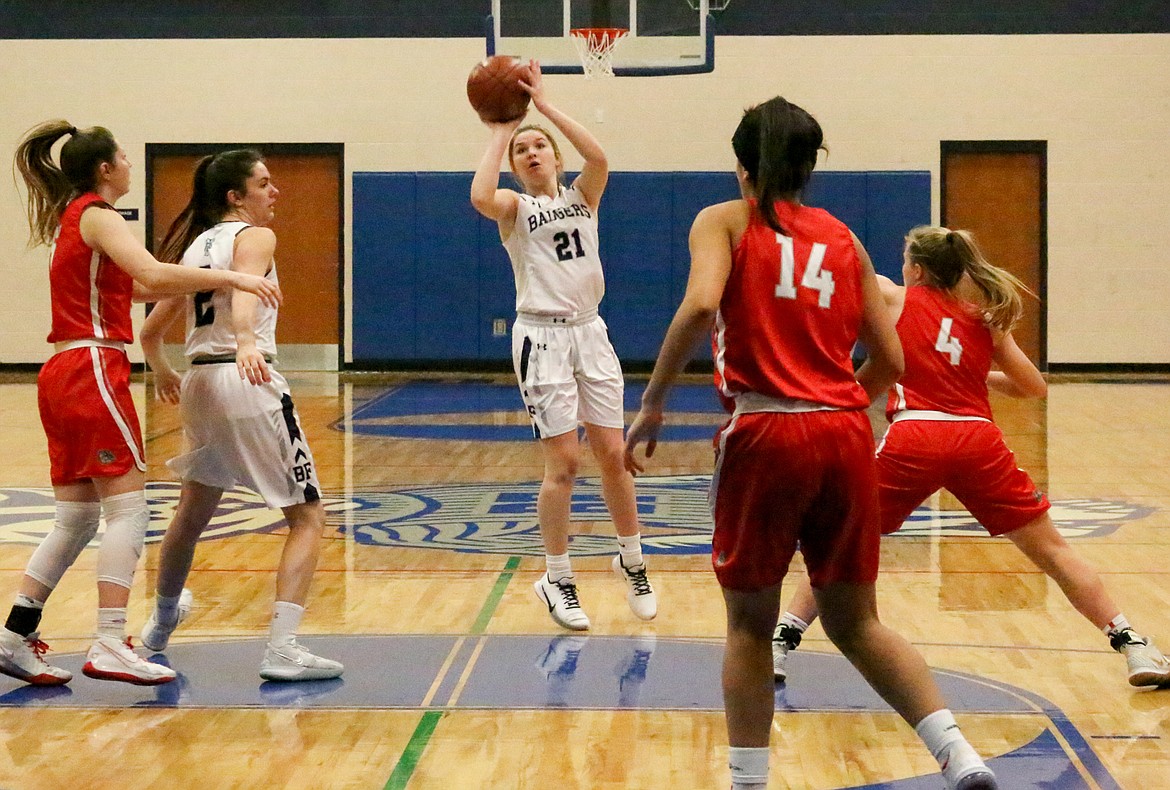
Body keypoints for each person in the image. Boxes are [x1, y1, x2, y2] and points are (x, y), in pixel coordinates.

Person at [624, 98, 997, 790]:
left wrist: (650, 402)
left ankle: (747, 780)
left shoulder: (724, 220)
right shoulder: (844, 237)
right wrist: (832, 394)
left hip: (767, 431)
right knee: (857, 620)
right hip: (846, 430)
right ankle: (961, 757)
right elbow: (890, 360)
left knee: (749, 626)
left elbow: (703, 303)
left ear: (742, 166)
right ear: (808, 168)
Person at [772, 226, 1170, 688]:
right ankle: (1133, 645)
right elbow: (1033, 387)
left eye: (906, 261)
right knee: (1054, 552)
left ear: (917, 269)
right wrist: (973, 377)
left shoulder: (894, 296)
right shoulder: (985, 318)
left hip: (916, 435)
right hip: (977, 439)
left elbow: (844, 269)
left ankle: (780, 641)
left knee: (841, 542)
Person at [0, 121, 282, 687]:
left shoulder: (76, 218)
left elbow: (142, 289)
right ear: (105, 169)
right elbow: (152, 272)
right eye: (124, 157)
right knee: (129, 510)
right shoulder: (99, 214)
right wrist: (235, 276)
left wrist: (207, 285)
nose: (129, 164)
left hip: (61, 370)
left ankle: (11, 635)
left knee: (76, 518)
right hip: (91, 368)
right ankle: (109, 640)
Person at [136, 149, 343, 682]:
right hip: (244, 377)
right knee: (308, 515)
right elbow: (248, 289)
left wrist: (161, 368)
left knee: (193, 510)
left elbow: (150, 330)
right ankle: (282, 647)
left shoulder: (196, 246)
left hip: (201, 381)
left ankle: (158, 629)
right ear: (236, 196)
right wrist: (248, 340)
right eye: (264, 183)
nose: (274, 191)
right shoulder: (254, 237)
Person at [470, 60, 656, 631]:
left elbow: (599, 157)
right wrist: (503, 128)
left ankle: (633, 561)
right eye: (521, 151)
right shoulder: (515, 208)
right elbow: (479, 195)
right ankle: (557, 576)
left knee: (613, 456)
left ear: (554, 157)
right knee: (565, 463)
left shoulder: (583, 195)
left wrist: (544, 107)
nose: (530, 154)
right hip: (541, 338)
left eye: (538, 148)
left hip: (590, 332)